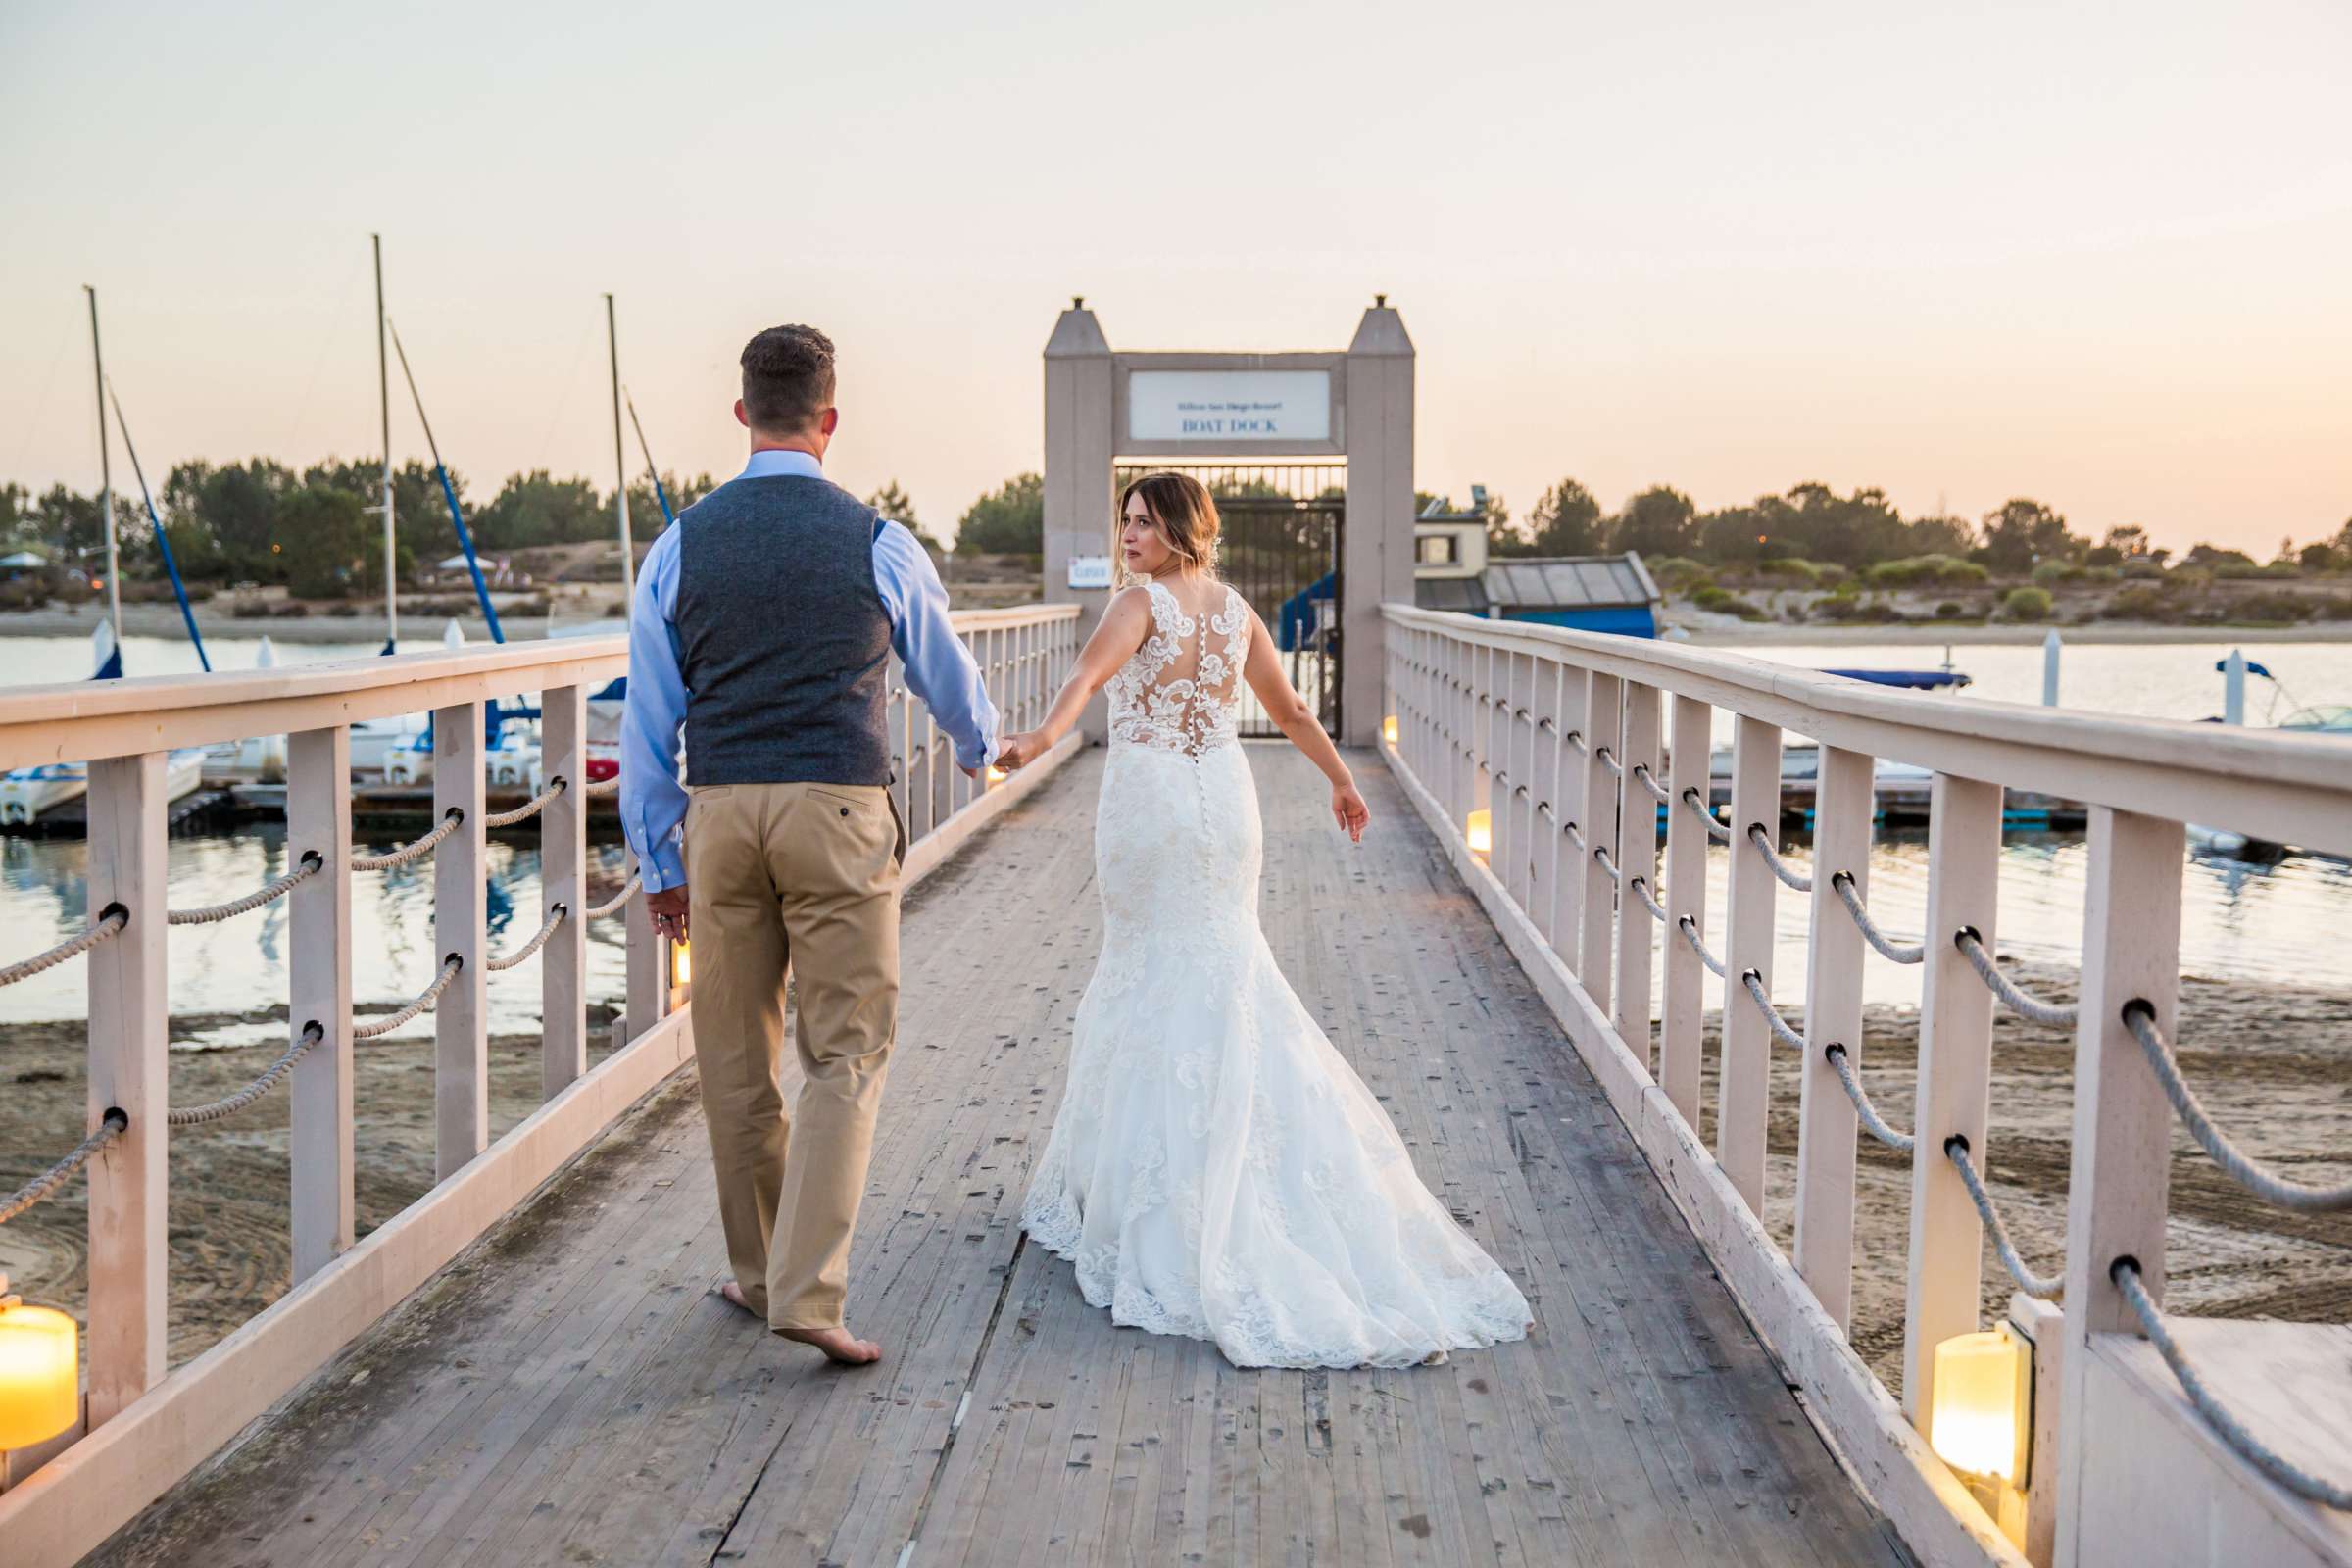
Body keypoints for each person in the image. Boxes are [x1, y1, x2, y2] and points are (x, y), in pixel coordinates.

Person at [992, 473, 1531, 1368]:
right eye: (1123, 519)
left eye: (1144, 521)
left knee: (1149, 968)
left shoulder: (1138, 605)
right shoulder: (1237, 611)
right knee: (1222, 969)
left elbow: (1085, 681)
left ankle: (1153, 1196)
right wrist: (1342, 778)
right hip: (1225, 803)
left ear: (1179, 530)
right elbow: (1286, 712)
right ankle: (1232, 1164)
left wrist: (1038, 742)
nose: (1130, 535)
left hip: (1156, 806)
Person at [620, 324, 997, 1365]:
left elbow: (647, 720)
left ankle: (759, 1276)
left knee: (734, 1059)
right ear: (830, 418)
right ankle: (810, 1294)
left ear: (742, 414)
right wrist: (980, 748)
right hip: (837, 812)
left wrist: (659, 862)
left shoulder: (681, 544)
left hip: (723, 813)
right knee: (845, 1052)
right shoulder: (878, 539)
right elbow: (942, 671)